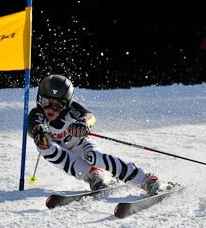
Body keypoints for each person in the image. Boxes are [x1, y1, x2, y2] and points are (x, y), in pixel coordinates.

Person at [27, 74, 172, 195]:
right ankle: (94, 175)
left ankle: (146, 180)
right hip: (61, 153)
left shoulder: (73, 111)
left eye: (57, 105)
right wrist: (38, 132)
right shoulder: (38, 114)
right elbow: (32, 126)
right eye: (46, 102)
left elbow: (89, 116)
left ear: (66, 104)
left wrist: (83, 123)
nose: (50, 108)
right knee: (44, 146)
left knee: (94, 157)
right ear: (40, 100)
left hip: (81, 143)